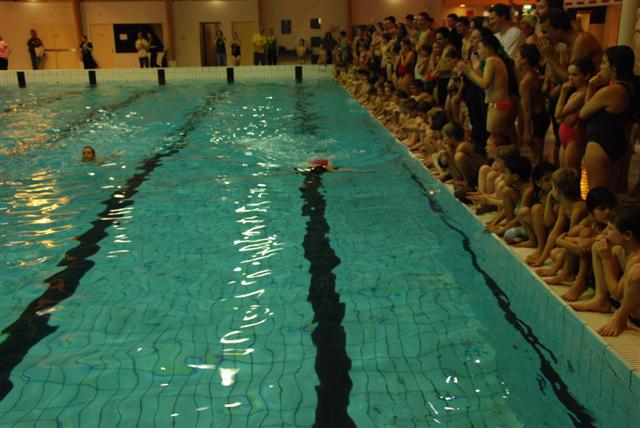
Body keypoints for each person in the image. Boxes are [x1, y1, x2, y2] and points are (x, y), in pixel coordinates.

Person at [571, 205, 640, 336]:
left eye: (610, 229)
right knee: (599, 246)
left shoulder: (636, 257)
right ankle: (601, 300)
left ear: (627, 235)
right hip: (628, 303)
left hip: (636, 313)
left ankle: (620, 316)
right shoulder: (623, 249)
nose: (606, 232)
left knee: (636, 272)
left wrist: (606, 259)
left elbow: (616, 293)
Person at [579, 46, 635, 191]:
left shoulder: (611, 91)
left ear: (614, 67)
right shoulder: (627, 87)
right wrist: (592, 87)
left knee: (597, 193)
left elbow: (583, 113)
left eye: (604, 63)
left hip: (601, 145)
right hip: (613, 141)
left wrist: (592, 88)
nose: (600, 67)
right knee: (607, 193)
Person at [457, 28, 516, 142]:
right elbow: (483, 78)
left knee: (495, 138)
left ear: (488, 50)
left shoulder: (491, 61)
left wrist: (468, 71)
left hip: (498, 104)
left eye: (480, 48)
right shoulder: (495, 60)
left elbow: (485, 84)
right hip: (500, 102)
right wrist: (470, 70)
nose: (478, 51)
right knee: (504, 136)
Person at [554, 58, 594, 171]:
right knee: (564, 172)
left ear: (587, 76)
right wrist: (564, 118)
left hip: (574, 137)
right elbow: (558, 118)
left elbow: (557, 114)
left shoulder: (583, 94)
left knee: (571, 173)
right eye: (569, 74)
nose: (570, 78)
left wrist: (563, 93)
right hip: (565, 135)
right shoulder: (575, 94)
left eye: (575, 75)